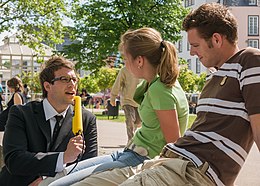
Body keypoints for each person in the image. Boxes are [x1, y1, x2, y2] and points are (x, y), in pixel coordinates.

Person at [70, 3, 260, 186]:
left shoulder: (250, 60)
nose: (192, 52)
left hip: (190, 170)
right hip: (168, 162)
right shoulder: (213, 78)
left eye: (195, 45)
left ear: (217, 39)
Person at [40, 27, 189, 186]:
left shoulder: (160, 90)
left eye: (125, 59)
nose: (124, 64)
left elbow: (172, 144)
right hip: (128, 152)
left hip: (139, 159)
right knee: (53, 179)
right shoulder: (154, 84)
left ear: (139, 61)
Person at [0, 56, 98, 186]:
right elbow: (15, 160)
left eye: (75, 80)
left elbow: (89, 166)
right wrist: (64, 157)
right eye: (64, 79)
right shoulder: (21, 114)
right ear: (47, 86)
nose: (72, 84)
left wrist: (48, 180)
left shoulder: (86, 119)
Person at [110, 66, 141, 143]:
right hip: (127, 100)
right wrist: (113, 96)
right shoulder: (124, 70)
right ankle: (130, 142)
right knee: (130, 121)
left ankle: (136, 139)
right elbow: (118, 83)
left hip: (139, 101)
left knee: (138, 122)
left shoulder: (144, 68)